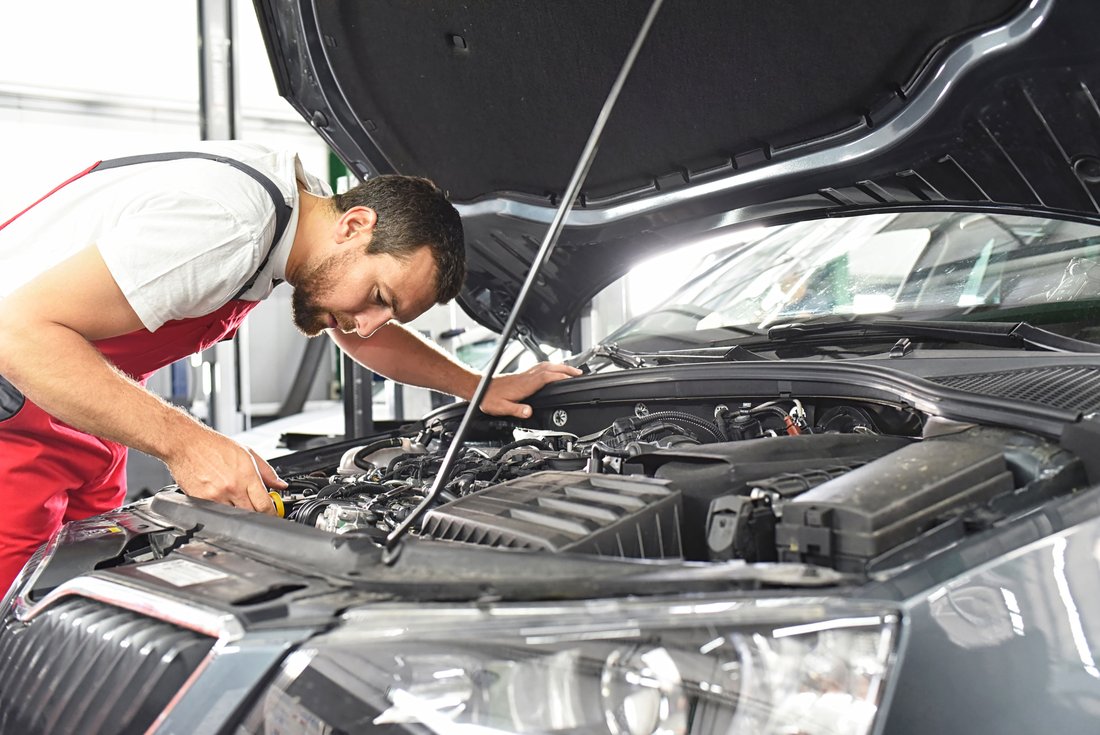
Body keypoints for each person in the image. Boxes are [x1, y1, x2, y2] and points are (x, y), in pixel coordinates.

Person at [0, 140, 581, 590]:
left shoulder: (294, 215)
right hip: (19, 403)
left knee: (77, 599)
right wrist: (190, 445)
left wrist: (477, 386)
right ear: (355, 226)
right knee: (18, 625)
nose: (371, 322)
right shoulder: (229, 223)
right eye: (380, 296)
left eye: (391, 314)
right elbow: (18, 333)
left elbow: (357, 332)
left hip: (79, 409)